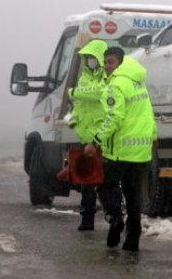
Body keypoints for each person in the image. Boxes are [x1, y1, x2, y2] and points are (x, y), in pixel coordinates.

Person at [84, 47, 156, 251]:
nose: (107, 66)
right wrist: (154, 135)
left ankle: (115, 219)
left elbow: (115, 117)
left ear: (120, 62)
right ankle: (133, 240)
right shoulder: (138, 82)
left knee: (105, 185)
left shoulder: (116, 84)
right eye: (105, 62)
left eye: (111, 62)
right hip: (141, 151)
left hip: (121, 150)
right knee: (134, 195)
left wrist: (96, 142)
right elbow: (148, 112)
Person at [67, 39, 109, 231]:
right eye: (87, 57)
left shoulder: (106, 77)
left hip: (101, 137)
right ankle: (86, 219)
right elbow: (79, 105)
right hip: (85, 137)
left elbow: (99, 94)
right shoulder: (84, 77)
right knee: (87, 181)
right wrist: (74, 119)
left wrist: (75, 92)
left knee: (105, 181)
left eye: (93, 57)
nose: (90, 60)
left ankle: (113, 217)